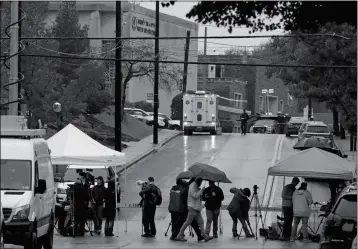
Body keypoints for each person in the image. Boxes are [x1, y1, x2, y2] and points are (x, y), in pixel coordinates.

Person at [175, 177, 213, 242]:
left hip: (197, 208)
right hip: (192, 208)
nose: (200, 184)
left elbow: (198, 196)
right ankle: (179, 235)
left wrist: (202, 195)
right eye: (200, 182)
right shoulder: (192, 186)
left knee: (201, 222)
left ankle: (205, 236)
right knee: (188, 222)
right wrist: (201, 190)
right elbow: (195, 196)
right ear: (198, 181)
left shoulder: (196, 186)